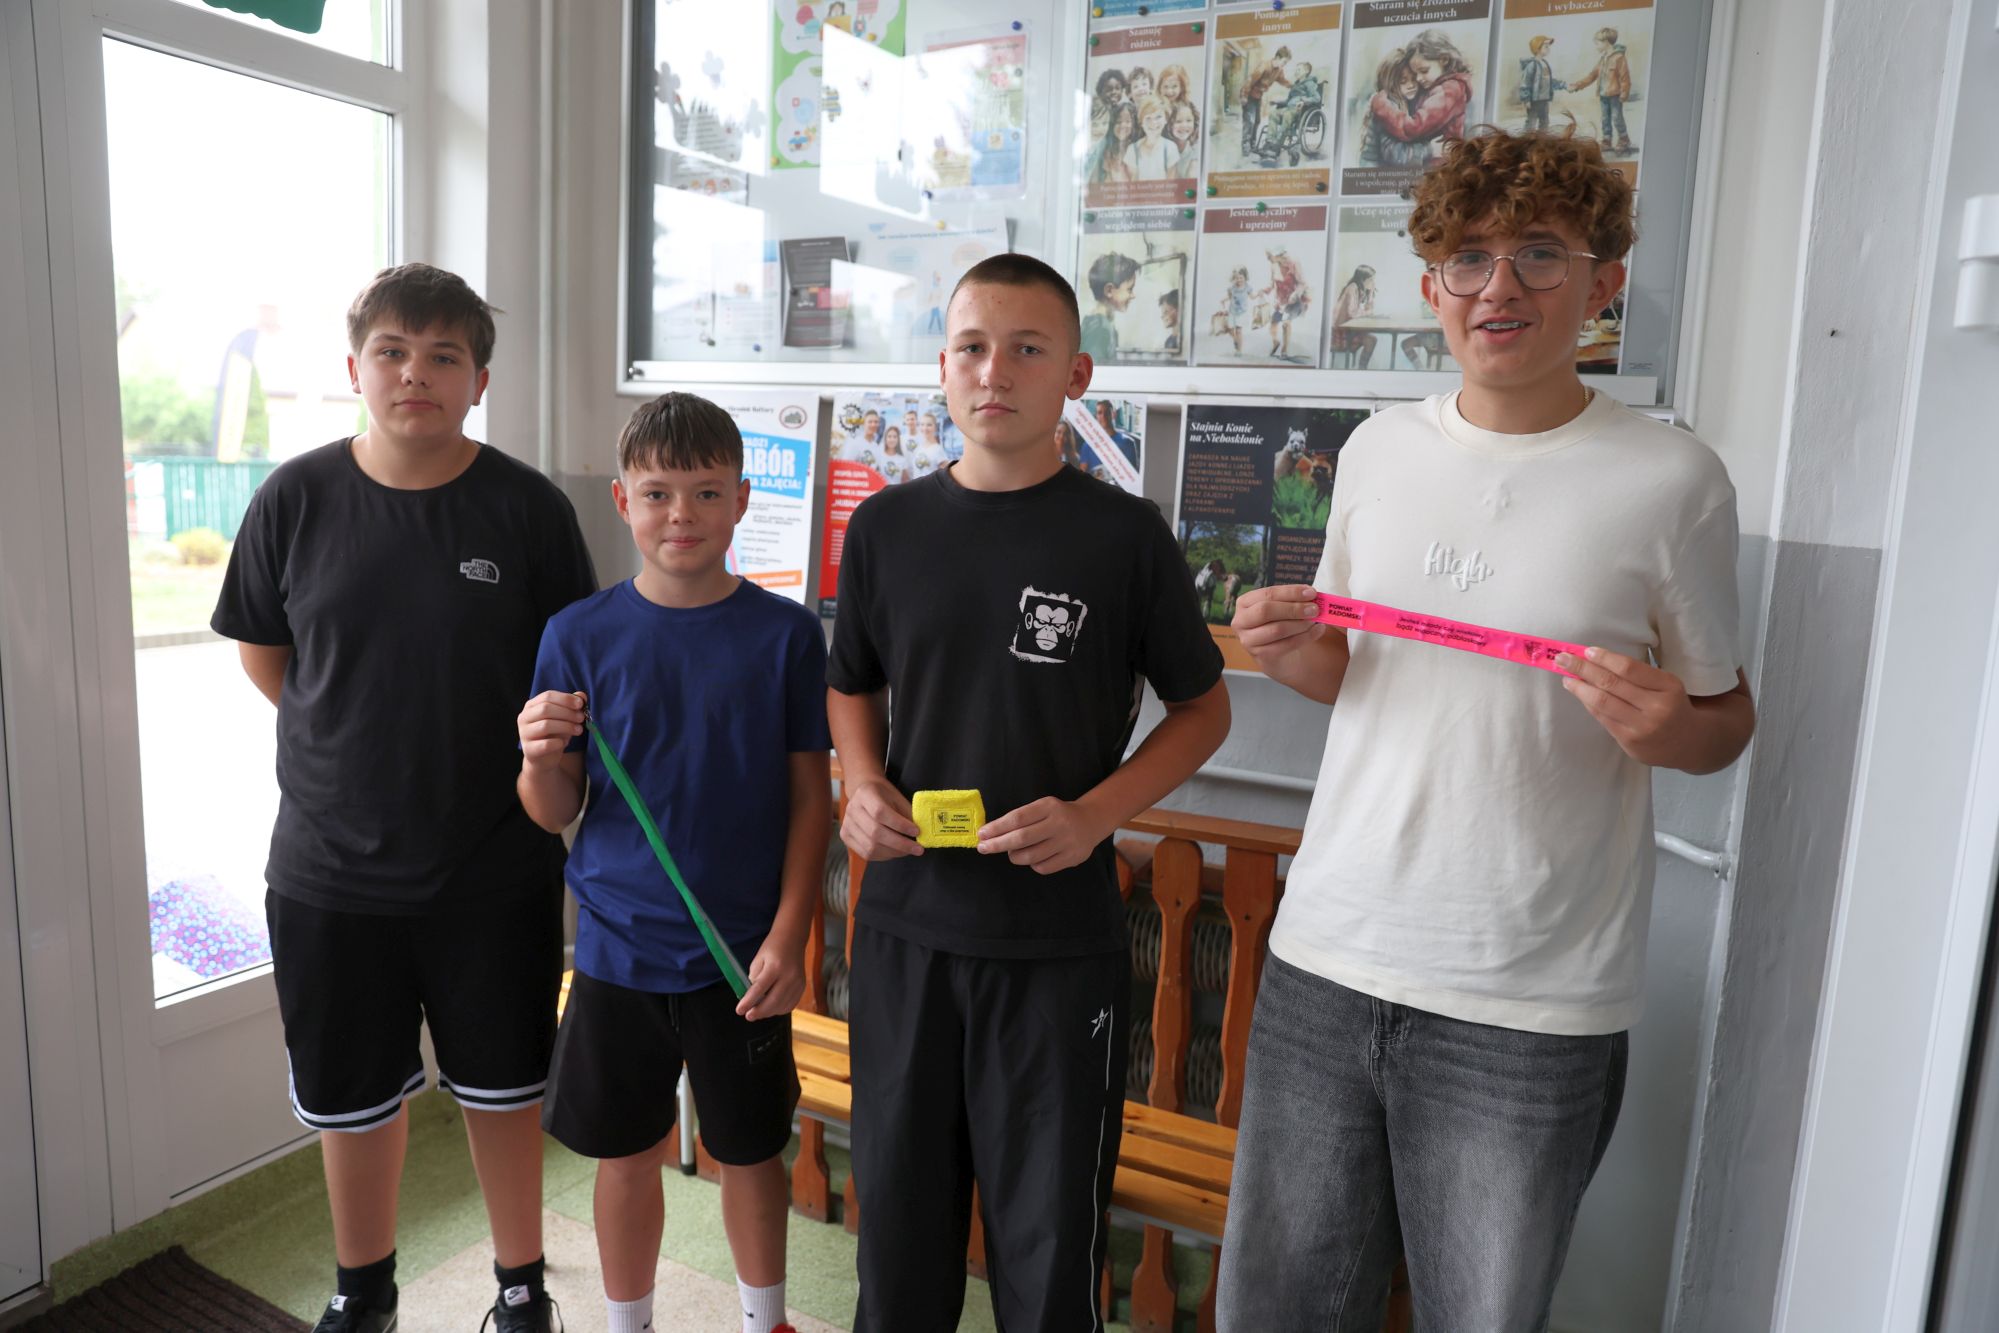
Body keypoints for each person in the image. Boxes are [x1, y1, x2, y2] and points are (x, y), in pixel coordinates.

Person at [1217, 129, 1754, 1328]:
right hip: (1326, 955)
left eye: (1539, 254)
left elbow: (1724, 721)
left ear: (1603, 282)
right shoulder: (1376, 448)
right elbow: (1354, 673)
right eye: (1467, 258)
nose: (1497, 286)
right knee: (1273, 1310)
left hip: (1529, 997)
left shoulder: (1674, 481)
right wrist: (1294, 656)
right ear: (1430, 287)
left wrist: (1670, 727)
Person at [827, 253, 1231, 1331]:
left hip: (1054, 945)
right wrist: (860, 780)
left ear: (1075, 376)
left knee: (1048, 1253)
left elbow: (1203, 710)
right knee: (898, 1240)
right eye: (970, 346)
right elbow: (850, 683)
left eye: (1026, 349)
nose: (993, 371)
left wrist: (1098, 814)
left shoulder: (1123, 537)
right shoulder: (886, 527)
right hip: (905, 931)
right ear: (942, 367)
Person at [212, 263, 597, 1333]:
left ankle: (520, 1287)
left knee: (504, 1089)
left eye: (442, 356)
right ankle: (363, 1290)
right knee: (351, 1099)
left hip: (493, 865)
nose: (414, 374)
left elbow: (572, 676)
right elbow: (267, 655)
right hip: (328, 871)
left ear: (479, 381)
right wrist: (352, 738)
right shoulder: (294, 498)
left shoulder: (527, 509)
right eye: (392, 351)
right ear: (355, 369)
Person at [518, 392, 829, 1333]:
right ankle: (630, 1323)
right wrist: (535, 757)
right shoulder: (576, 634)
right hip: (615, 949)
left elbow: (810, 800)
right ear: (622, 501)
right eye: (657, 493)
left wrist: (790, 934)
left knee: (751, 1150)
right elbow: (555, 809)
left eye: (705, 492)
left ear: (741, 500)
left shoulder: (785, 636)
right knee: (626, 1154)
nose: (680, 514)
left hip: (741, 955)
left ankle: (765, 1318)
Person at [1366, 29, 1475, 164]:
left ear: (1444, 60)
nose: (1418, 79)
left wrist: (1382, 107)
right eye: (1415, 73)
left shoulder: (1448, 92)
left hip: (1439, 163)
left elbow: (1413, 128)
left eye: (1424, 71)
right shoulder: (1434, 86)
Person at [1569, 26, 1634, 154]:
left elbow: (1625, 77)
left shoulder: (1619, 58)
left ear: (1606, 42)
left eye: (1597, 43)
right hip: (1603, 95)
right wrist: (1577, 85)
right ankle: (1607, 140)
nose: (1596, 46)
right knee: (1605, 118)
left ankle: (1624, 139)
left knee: (1616, 117)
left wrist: (1624, 93)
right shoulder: (1603, 58)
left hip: (1615, 95)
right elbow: (1592, 75)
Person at [1259, 60, 1323, 165]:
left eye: (1299, 70)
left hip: (1299, 111)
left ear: (1306, 71)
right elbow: (1288, 101)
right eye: (1296, 70)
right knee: (1273, 113)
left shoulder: (1310, 83)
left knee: (1287, 115)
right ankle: (1270, 142)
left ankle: (1277, 146)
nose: (1296, 72)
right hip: (1289, 108)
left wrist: (1303, 101)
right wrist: (1277, 102)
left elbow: (1317, 98)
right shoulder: (1295, 85)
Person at [1081, 250, 1139, 364]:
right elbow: (1093, 371)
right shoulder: (1099, 329)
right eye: (1129, 289)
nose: (1133, 295)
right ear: (1109, 290)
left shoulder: (1100, 323)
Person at [1239, 45, 1293, 161]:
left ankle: (1253, 145)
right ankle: (1245, 147)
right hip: (1249, 95)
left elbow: (1283, 80)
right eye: (1284, 62)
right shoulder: (1264, 65)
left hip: (1258, 97)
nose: (1284, 65)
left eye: (1286, 63)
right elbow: (1250, 80)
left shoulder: (1279, 70)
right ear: (1277, 57)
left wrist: (1292, 86)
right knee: (1249, 121)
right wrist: (1244, 96)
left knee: (1257, 121)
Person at [1330, 264, 1379, 368]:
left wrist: (1370, 294)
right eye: (1371, 280)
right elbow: (1351, 313)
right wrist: (1367, 313)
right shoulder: (1352, 288)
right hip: (1340, 332)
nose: (1373, 283)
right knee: (1371, 340)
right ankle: (1362, 369)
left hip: (1348, 330)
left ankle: (1362, 368)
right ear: (1363, 279)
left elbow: (1368, 309)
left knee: (1371, 340)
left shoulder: (1359, 290)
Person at [1123, 95, 1178, 181]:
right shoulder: (1132, 150)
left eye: (1158, 117)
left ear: (1166, 119)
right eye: (1148, 118)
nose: (1153, 122)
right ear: (1141, 122)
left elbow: (1172, 182)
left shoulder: (1171, 147)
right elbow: (1132, 183)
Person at [1517, 34, 1561, 132]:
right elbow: (1525, 83)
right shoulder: (1532, 65)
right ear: (1537, 49)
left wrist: (1563, 85)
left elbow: (1549, 81)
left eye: (1548, 46)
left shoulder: (1545, 63)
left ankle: (1542, 138)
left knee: (1544, 122)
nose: (1548, 49)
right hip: (1534, 100)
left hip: (1544, 100)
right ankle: (1527, 139)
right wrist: (1526, 99)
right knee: (1531, 122)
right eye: (1546, 46)